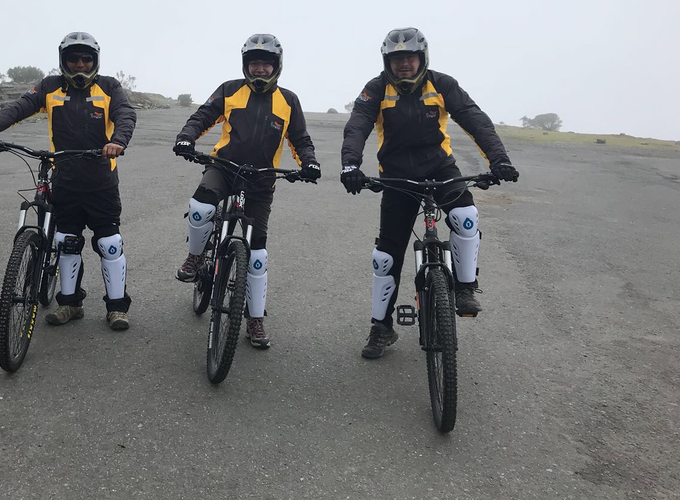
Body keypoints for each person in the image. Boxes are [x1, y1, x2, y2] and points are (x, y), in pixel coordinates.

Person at [340, 27, 519, 359]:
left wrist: (500, 160)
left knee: (465, 217)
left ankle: (465, 288)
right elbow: (358, 125)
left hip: (440, 168)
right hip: (396, 178)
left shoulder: (443, 84)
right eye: (397, 59)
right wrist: (350, 165)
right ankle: (381, 327)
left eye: (410, 58)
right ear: (387, 61)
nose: (404, 65)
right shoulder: (376, 88)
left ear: (422, 58)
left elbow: (475, 120)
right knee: (385, 258)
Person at [0, 32, 137, 330]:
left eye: (86, 58)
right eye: (73, 58)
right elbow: (19, 107)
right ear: (63, 60)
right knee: (66, 242)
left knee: (110, 244)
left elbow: (125, 114)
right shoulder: (50, 86)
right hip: (65, 179)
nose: (80, 64)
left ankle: (117, 308)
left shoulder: (109, 86)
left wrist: (118, 141)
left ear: (95, 61)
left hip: (101, 180)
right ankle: (70, 304)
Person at [173, 33, 321, 348]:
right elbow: (202, 117)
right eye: (254, 63)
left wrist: (309, 163)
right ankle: (196, 257)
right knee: (200, 208)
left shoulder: (288, 100)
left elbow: (300, 139)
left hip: (261, 181)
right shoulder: (229, 90)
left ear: (276, 67)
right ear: (246, 65)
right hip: (223, 168)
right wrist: (187, 137)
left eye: (266, 64)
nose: (260, 69)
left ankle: (254, 319)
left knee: (257, 256)